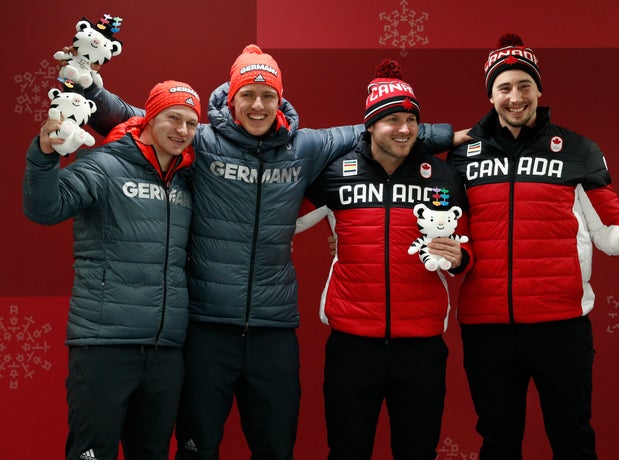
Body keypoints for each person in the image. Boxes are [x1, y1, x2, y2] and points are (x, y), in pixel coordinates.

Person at [79, 44, 458, 459]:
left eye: (268, 96)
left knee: (277, 449)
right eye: (248, 95)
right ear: (231, 97)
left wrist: (453, 135)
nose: (258, 105)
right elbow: (133, 118)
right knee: (196, 448)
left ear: (280, 101)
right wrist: (91, 89)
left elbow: (376, 127)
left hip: (273, 330)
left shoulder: (305, 146)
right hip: (208, 327)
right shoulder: (201, 140)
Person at [445, 34, 619, 460]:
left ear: (539, 90)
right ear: (491, 95)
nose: (515, 97)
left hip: (561, 327)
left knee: (572, 440)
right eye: (504, 87)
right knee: (499, 443)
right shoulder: (461, 156)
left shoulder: (579, 150)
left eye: (524, 85)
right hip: (487, 327)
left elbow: (609, 235)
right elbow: (455, 238)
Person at [297, 59, 472, 460]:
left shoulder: (443, 176)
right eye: (392, 119)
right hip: (352, 346)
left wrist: (461, 257)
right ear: (371, 125)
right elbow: (281, 223)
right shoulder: (336, 172)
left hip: (422, 346)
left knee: (417, 451)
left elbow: (471, 245)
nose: (405, 129)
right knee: (347, 450)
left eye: (411, 119)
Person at [23, 79, 201, 460]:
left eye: (190, 123)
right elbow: (44, 208)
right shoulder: (105, 165)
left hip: (165, 350)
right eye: (173, 118)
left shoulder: (188, 180)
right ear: (149, 119)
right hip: (105, 345)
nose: (182, 130)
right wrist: (43, 156)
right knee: (93, 454)